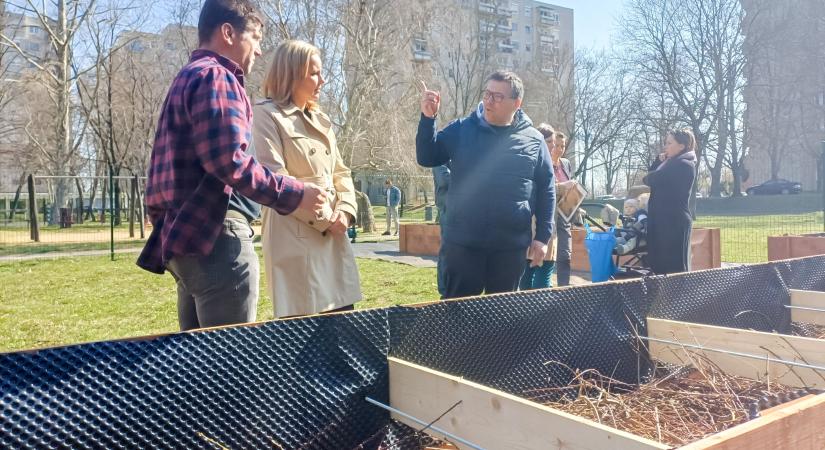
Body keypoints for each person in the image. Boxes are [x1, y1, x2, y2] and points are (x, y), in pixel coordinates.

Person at [137, 0, 326, 331]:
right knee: (230, 372)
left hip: (188, 240)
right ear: (227, 32)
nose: (259, 49)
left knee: (200, 369)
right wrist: (297, 194)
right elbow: (231, 162)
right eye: (254, 36)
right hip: (218, 240)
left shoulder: (186, 77)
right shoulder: (217, 77)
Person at [416, 71, 555, 298]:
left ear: (516, 103)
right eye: (487, 94)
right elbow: (427, 156)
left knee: (501, 321)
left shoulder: (534, 140)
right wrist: (427, 119)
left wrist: (542, 237)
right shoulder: (461, 129)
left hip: (510, 248)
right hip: (463, 244)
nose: (488, 101)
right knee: (457, 318)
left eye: (497, 97)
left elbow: (547, 190)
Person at [252, 40, 362, 318]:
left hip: (332, 239)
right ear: (291, 73)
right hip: (296, 243)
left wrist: (346, 212)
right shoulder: (265, 115)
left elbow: (341, 172)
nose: (322, 80)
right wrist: (327, 219)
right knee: (302, 339)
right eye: (314, 73)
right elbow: (275, 178)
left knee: (343, 330)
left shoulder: (321, 119)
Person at [643, 129, 697, 274]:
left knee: (673, 270)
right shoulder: (669, 164)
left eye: (669, 143)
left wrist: (660, 165)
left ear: (682, 146)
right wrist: (658, 162)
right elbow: (652, 175)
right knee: (658, 267)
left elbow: (650, 179)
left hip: (673, 223)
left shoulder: (683, 165)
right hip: (662, 221)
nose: (665, 147)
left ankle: (675, 297)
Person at [519, 123, 557, 290]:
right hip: (531, 225)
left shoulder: (561, 165)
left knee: (545, 271)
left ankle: (541, 313)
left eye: (555, 143)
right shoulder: (530, 161)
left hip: (549, 228)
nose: (554, 147)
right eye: (550, 141)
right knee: (527, 273)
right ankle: (527, 312)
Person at [551, 131, 574, 286]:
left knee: (565, 254)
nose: (559, 149)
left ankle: (563, 292)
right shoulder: (544, 162)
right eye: (557, 145)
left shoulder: (566, 164)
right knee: (548, 256)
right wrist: (562, 186)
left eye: (563, 146)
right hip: (550, 217)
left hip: (565, 215)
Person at [432, 164, 451, 296]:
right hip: (448, 209)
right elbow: (444, 180)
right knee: (447, 250)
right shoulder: (440, 158)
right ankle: (445, 291)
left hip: (462, 207)